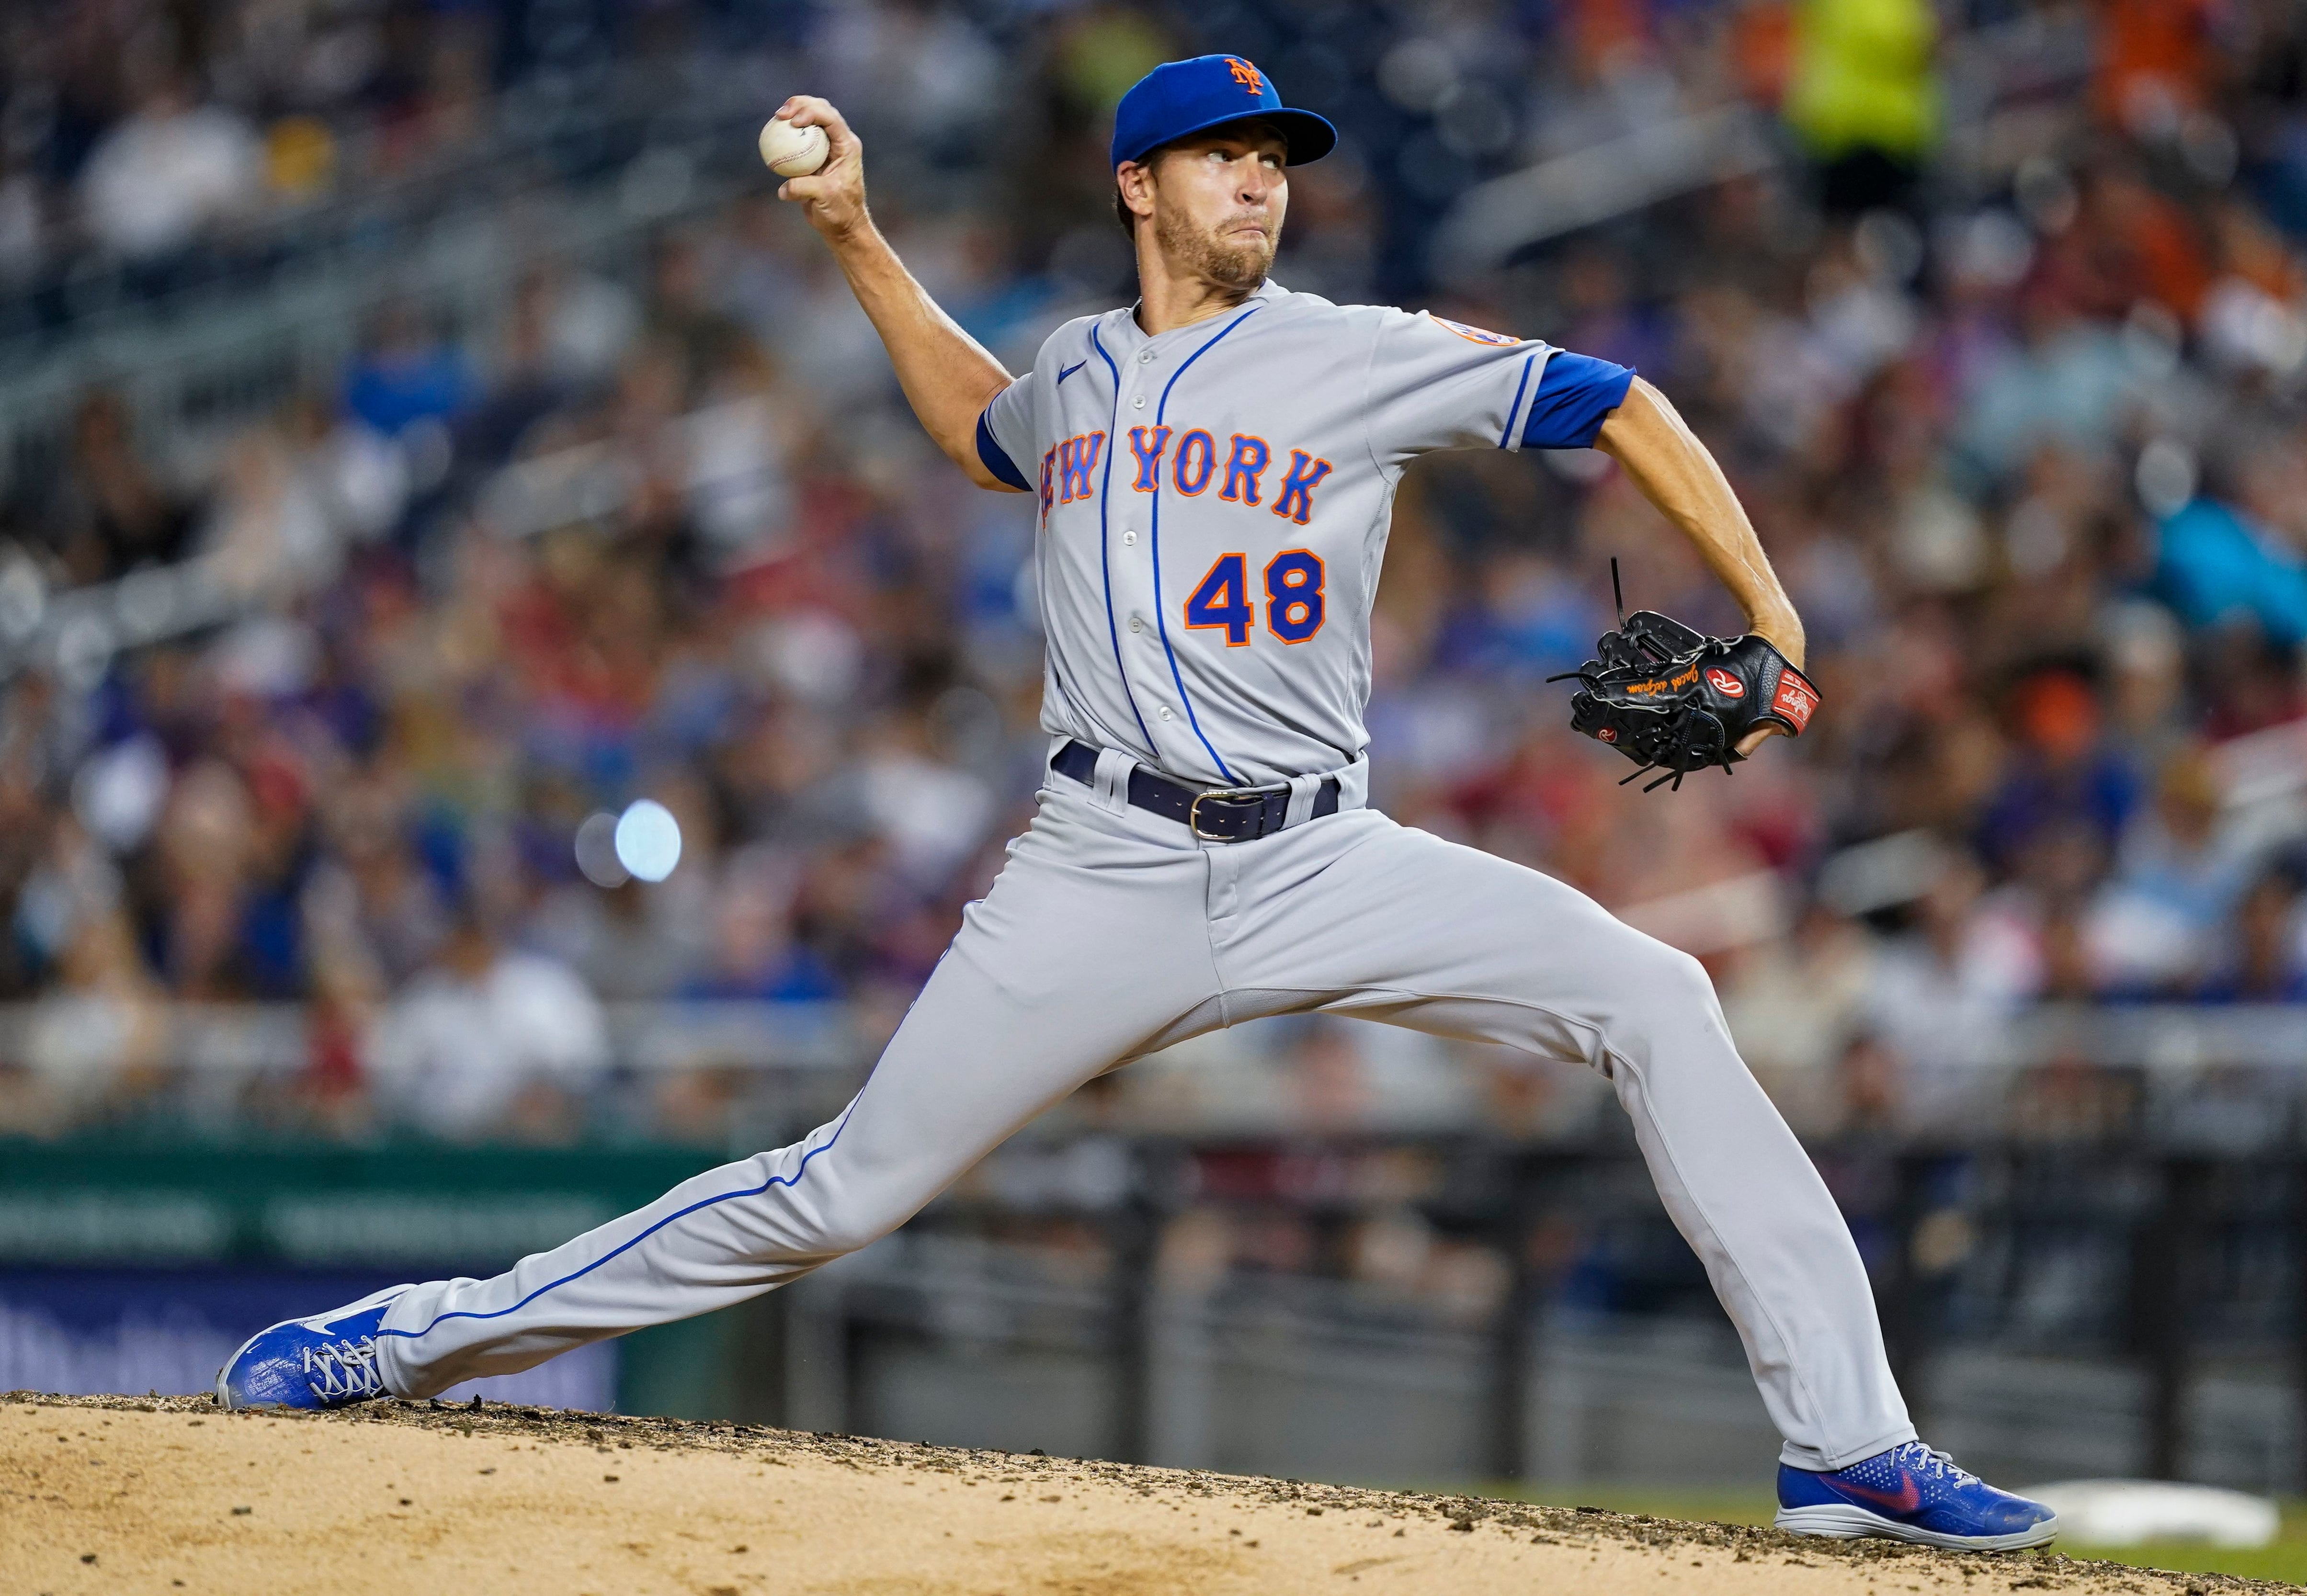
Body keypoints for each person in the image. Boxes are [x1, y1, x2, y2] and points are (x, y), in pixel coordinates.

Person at [217, 56, 2054, 1551]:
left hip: (1327, 851)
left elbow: (1620, 400)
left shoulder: (1357, 351)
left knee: (1660, 997)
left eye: (1274, 161)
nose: (1261, 184)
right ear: (1138, 188)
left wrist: (1771, 606)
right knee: (845, 1189)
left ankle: (1851, 1445)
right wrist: (858, 237)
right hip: (1097, 864)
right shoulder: (1082, 370)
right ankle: (415, 1344)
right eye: (1222, 159)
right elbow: (979, 426)